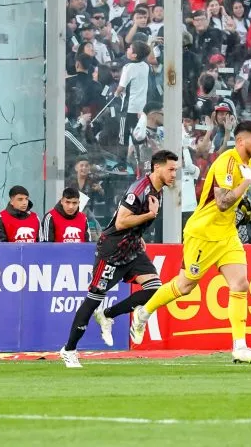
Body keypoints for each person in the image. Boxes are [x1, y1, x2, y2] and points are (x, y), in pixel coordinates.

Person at [130, 121, 251, 364]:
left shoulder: (247, 164)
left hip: (227, 234)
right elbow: (222, 202)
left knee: (240, 284)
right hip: (203, 233)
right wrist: (246, 183)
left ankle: (240, 346)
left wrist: (246, 211)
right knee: (185, 286)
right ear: (241, 141)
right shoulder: (227, 162)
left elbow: (231, 204)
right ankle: (144, 312)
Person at [59, 150, 179, 368]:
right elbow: (121, 222)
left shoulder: (157, 190)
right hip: (112, 249)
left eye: (175, 170)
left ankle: (108, 315)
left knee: (155, 289)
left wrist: (139, 236)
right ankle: (69, 350)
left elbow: (133, 223)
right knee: (93, 298)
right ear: (157, 167)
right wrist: (149, 215)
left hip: (132, 248)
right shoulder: (139, 189)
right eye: (170, 169)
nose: (174, 174)